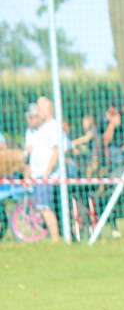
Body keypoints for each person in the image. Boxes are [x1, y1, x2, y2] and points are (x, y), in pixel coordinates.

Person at [22, 97, 62, 241]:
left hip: (45, 176)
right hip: (36, 176)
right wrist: (27, 175)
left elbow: (55, 153)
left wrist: (46, 173)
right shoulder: (31, 133)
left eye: (32, 117)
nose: (30, 120)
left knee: (45, 208)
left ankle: (55, 239)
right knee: (41, 207)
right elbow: (28, 157)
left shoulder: (50, 128)